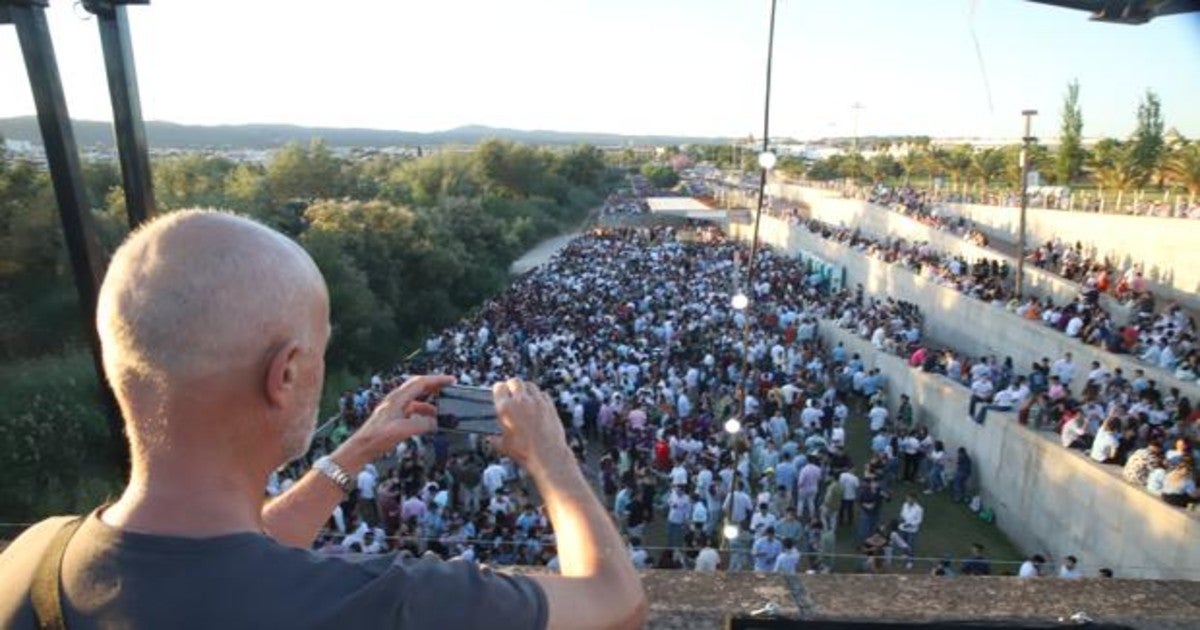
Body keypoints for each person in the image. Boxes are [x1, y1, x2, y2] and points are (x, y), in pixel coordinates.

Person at [0, 212, 646, 629]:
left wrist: (353, 455)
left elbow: (224, 561)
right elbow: (616, 603)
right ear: (284, 374)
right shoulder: (380, 602)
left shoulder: (31, 559)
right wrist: (550, 455)